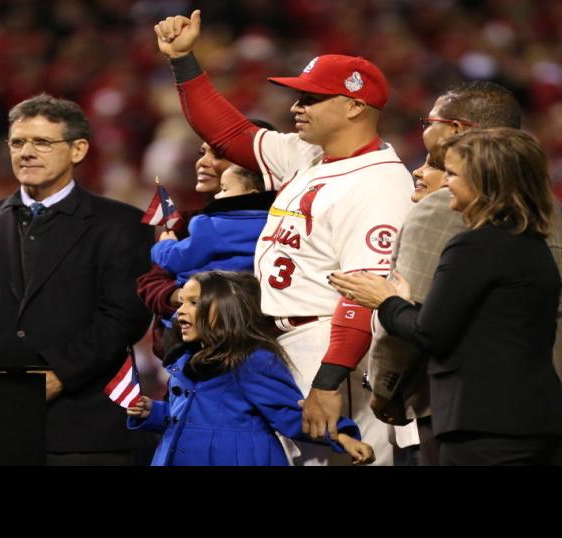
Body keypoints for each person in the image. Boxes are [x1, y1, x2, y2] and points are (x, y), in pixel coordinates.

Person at [154, 10, 412, 465]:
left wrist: (328, 382)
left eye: (311, 98)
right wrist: (183, 61)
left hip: (333, 346)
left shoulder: (380, 183)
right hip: (287, 341)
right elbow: (231, 134)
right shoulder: (311, 155)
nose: (296, 107)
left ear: (354, 105)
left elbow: (362, 294)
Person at [367, 82, 562, 465]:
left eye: (430, 121)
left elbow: (424, 322)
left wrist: (386, 389)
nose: (425, 130)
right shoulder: (541, 205)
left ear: (455, 130)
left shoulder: (444, 208)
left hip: (475, 405)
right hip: (555, 393)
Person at [0, 93, 156, 465]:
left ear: (78, 150)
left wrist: (58, 375)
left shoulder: (121, 225)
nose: (27, 152)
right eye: (18, 142)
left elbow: (123, 318)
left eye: (42, 142)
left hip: (85, 427)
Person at [126, 271, 375, 466]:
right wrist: (153, 413)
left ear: (225, 310)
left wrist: (340, 436)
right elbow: (185, 417)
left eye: (193, 302)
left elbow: (289, 415)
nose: (180, 311)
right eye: (181, 303)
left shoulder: (253, 361)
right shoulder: (185, 361)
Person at [136, 122, 275, 362]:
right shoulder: (187, 220)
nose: (203, 162)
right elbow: (149, 284)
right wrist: (187, 298)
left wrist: (201, 301)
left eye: (219, 155)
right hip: (185, 358)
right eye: (202, 153)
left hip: (250, 351)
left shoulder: (283, 223)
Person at [151, 164, 274, 288]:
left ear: (251, 194)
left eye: (224, 189)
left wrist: (164, 245)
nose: (217, 195)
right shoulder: (275, 223)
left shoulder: (211, 225)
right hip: (250, 294)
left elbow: (178, 260)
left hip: (210, 293)